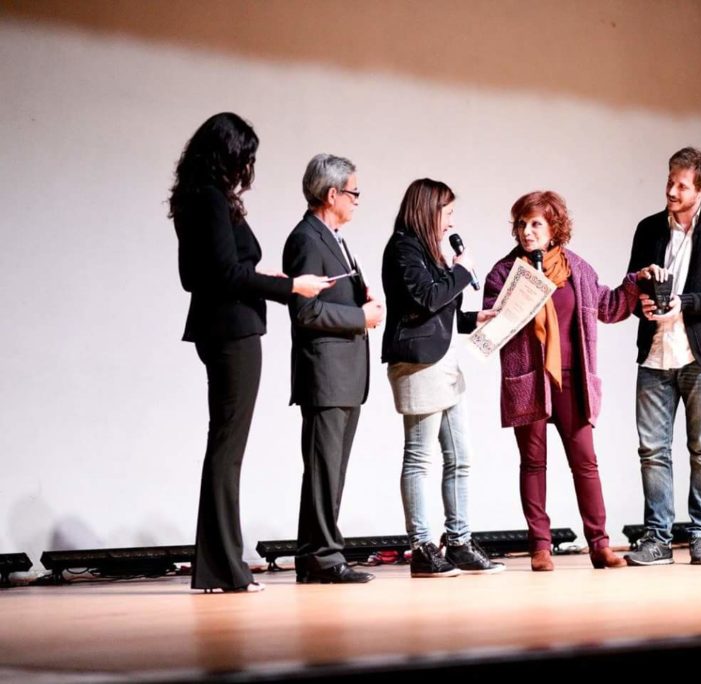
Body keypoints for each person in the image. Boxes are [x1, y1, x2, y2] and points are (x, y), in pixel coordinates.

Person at [169, 113, 332, 593]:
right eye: (245, 157)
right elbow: (221, 275)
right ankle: (223, 568)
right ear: (227, 153)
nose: (248, 167)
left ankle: (219, 566)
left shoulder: (194, 197)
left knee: (224, 446)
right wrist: (290, 287)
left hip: (219, 329)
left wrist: (276, 283)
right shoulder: (210, 199)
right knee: (227, 449)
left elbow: (199, 275)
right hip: (232, 332)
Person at [483, 190, 661, 571]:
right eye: (521, 224)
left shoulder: (576, 269)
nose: (526, 232)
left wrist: (634, 283)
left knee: (586, 462)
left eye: (535, 224)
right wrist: (517, 297)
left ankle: (599, 544)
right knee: (533, 463)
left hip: (572, 380)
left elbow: (609, 307)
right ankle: (541, 547)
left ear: (554, 228)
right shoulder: (503, 273)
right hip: (529, 379)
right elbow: (491, 329)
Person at [622, 147, 701, 567]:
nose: (672, 191)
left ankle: (700, 535)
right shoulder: (648, 229)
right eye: (669, 181)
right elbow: (634, 282)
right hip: (655, 352)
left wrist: (684, 302)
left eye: (681, 185)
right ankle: (657, 538)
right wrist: (641, 297)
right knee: (652, 449)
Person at [381, 178, 505, 578]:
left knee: (460, 458)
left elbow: (439, 312)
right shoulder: (403, 248)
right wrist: (461, 270)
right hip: (418, 365)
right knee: (420, 457)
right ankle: (421, 547)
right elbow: (425, 299)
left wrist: (473, 319)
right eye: (447, 213)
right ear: (429, 210)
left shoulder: (428, 251)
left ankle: (459, 541)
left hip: (445, 361)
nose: (451, 221)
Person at [282, 154, 384, 584]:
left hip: (344, 373)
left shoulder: (334, 237)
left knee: (330, 469)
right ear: (331, 194)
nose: (358, 199)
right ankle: (323, 556)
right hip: (325, 374)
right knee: (324, 469)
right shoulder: (307, 238)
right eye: (354, 192)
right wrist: (360, 318)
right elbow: (305, 311)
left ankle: (316, 554)